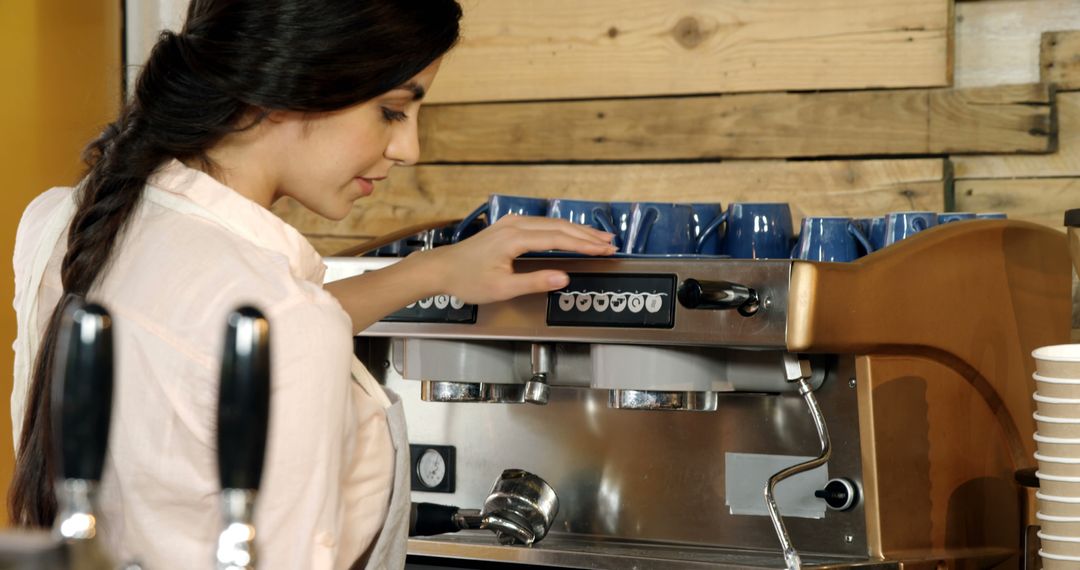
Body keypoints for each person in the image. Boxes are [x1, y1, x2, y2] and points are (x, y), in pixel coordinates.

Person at [9, 0, 615, 567]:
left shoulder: (57, 225)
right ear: (290, 85)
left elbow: (218, 342)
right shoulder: (290, 320)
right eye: (393, 110)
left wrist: (433, 272)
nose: (410, 148)